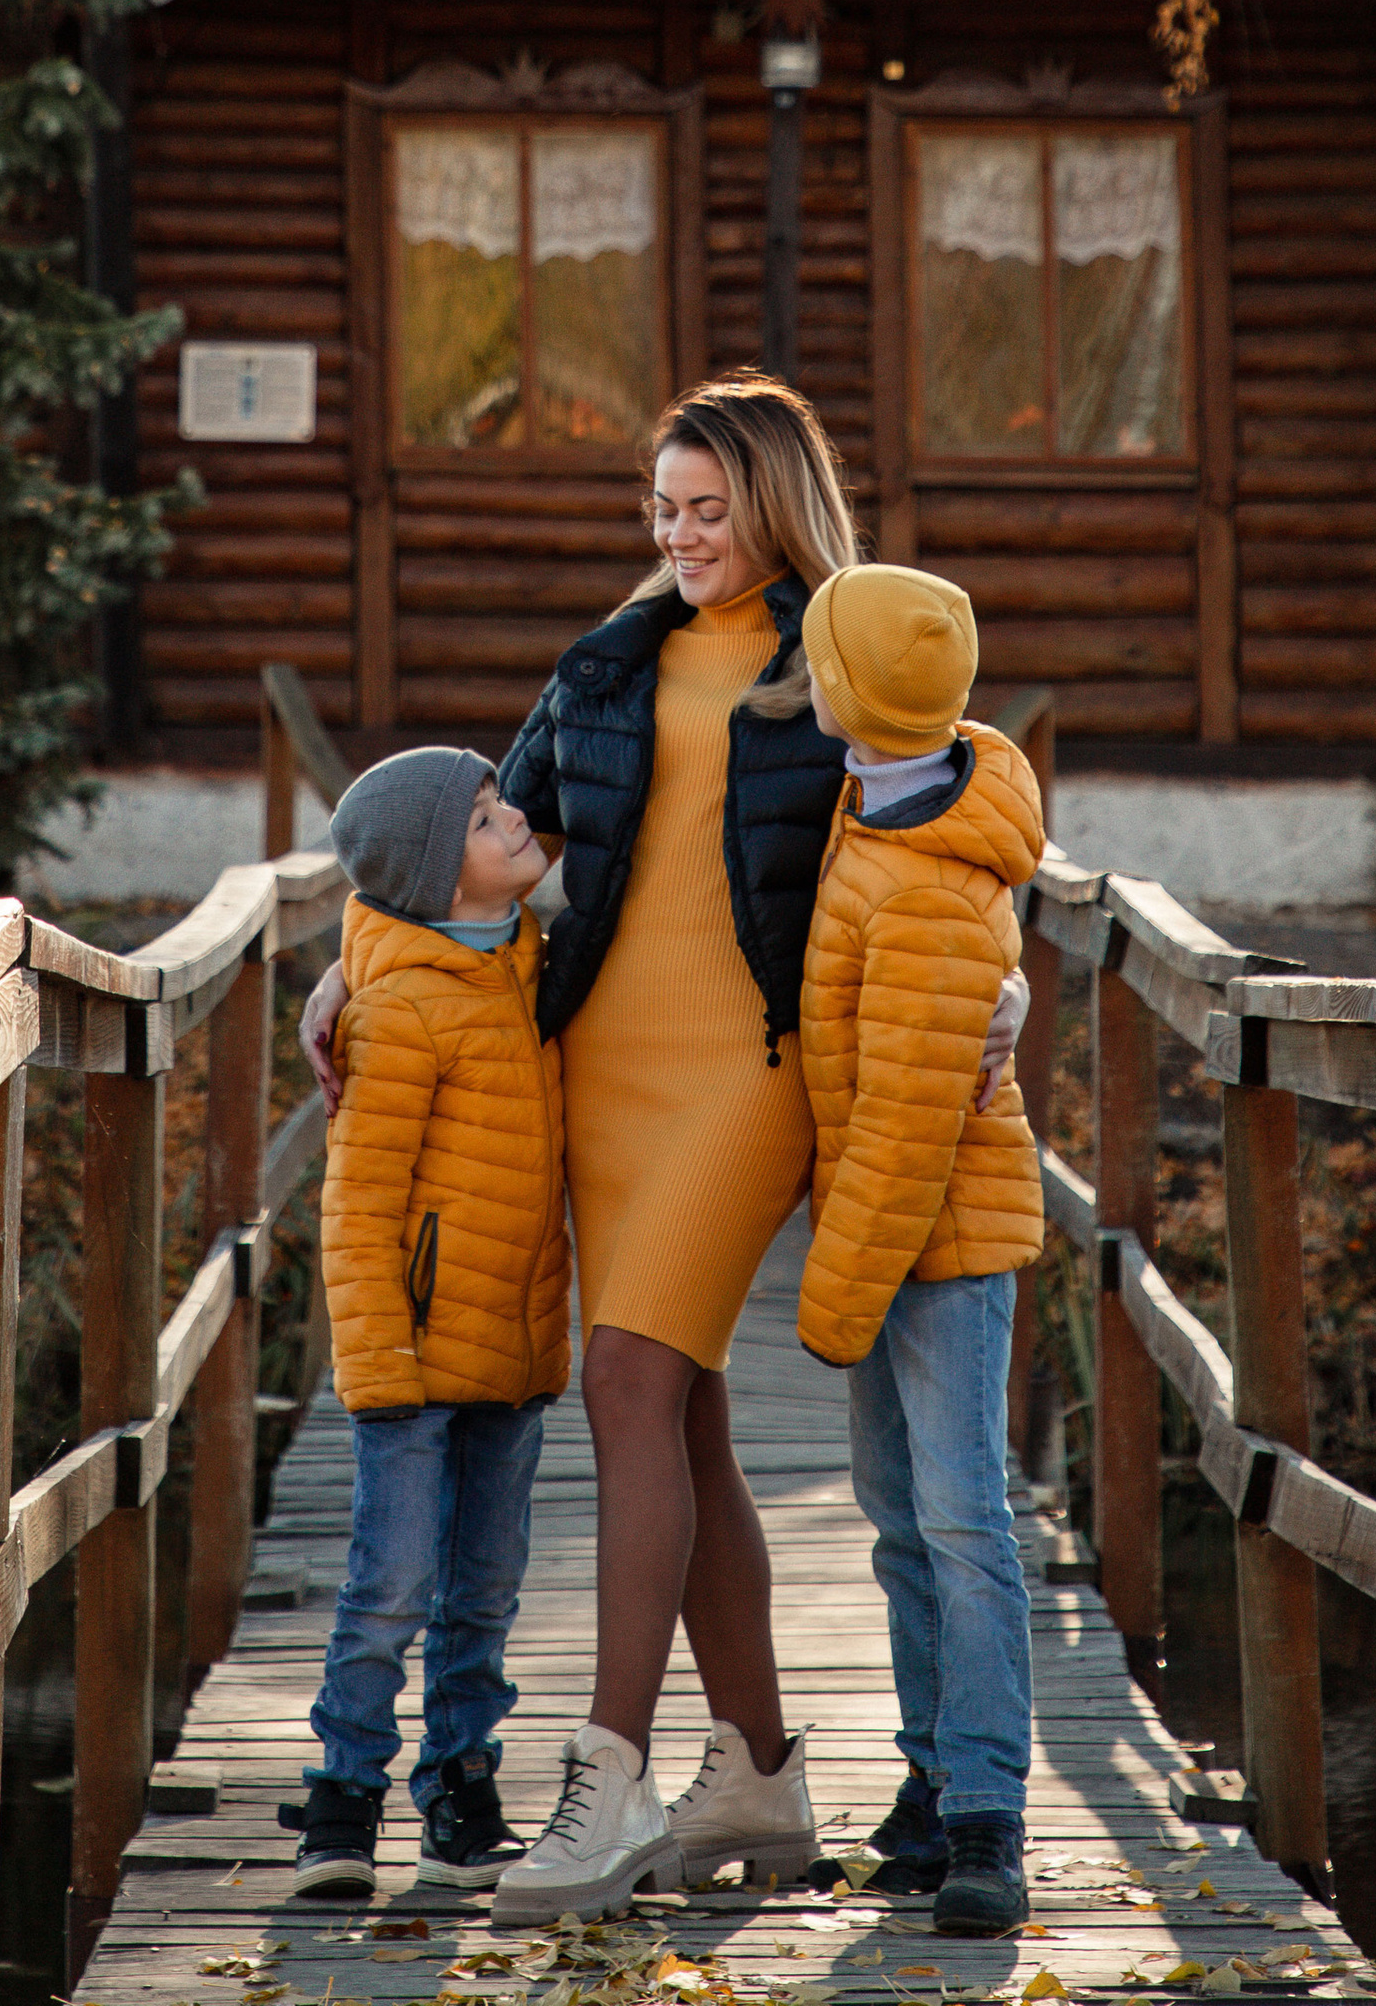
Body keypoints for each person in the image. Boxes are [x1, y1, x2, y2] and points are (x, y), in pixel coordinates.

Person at [305, 371, 860, 1923]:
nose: (679, 535)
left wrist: (1001, 974)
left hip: (753, 1072)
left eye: (706, 508)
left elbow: (946, 824)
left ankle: (607, 1781)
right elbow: (468, 833)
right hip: (598, 1070)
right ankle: (756, 1770)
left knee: (624, 1376)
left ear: (770, 502)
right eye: (663, 509)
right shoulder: (611, 663)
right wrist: (354, 960)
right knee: (683, 1421)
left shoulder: (844, 647)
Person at [794, 561, 1046, 1940]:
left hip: (929, 1244)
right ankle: (931, 1772)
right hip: (888, 1232)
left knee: (959, 1520)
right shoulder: (887, 796)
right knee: (902, 1525)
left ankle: (989, 1817)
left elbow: (904, 1130)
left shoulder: (926, 883)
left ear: (847, 694)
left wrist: (834, 1298)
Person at [293, 747, 570, 1900]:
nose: (514, 818)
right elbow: (356, 1199)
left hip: (514, 1338)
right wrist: (376, 1358)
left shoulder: (532, 964)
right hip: (411, 1348)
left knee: (486, 1587)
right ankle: (343, 1802)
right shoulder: (401, 1007)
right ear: (429, 871)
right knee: (391, 1584)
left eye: (502, 801)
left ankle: (460, 1794)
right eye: (485, 815)